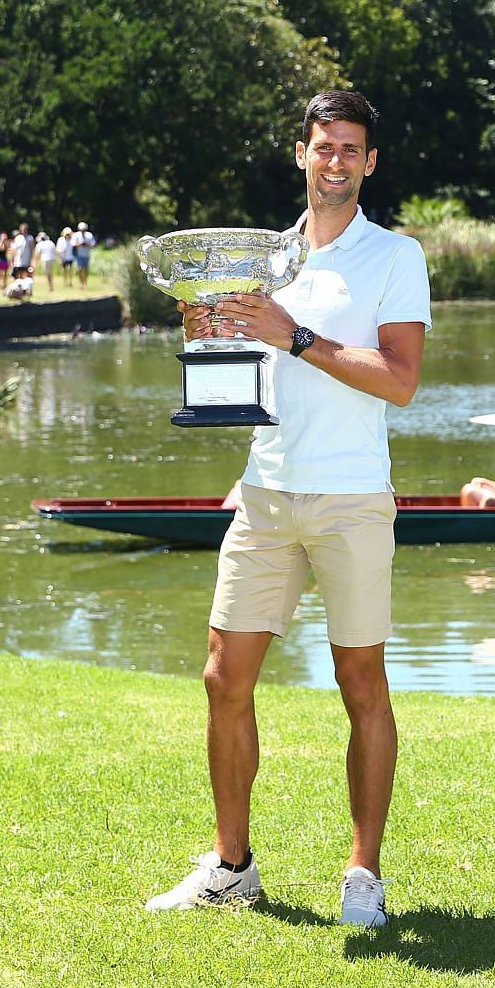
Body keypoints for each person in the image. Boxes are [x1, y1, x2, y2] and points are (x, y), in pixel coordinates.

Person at [145, 89, 429, 930]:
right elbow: (240, 358)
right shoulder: (262, 256)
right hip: (265, 490)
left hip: (351, 497)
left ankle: (363, 876)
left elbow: (402, 381)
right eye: (323, 146)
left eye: (351, 148)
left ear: (368, 163)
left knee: (361, 684)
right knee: (222, 677)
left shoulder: (394, 255)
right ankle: (232, 867)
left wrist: (294, 333)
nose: (335, 160)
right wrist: (214, 327)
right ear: (298, 154)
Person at [35, 229, 58, 293]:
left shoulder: (40, 244)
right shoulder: (51, 242)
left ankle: (50, 287)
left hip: (46, 260)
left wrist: (35, 263)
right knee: (50, 273)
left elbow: (37, 254)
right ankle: (51, 286)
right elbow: (55, 251)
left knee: (48, 274)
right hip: (53, 259)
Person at [73, 221, 93, 289]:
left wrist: (87, 244)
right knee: (80, 269)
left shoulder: (89, 235)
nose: (82, 231)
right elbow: (73, 244)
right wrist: (80, 244)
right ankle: (81, 283)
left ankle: (85, 283)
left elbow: (93, 244)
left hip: (87, 254)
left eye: (84, 230)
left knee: (86, 269)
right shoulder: (76, 235)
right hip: (79, 255)